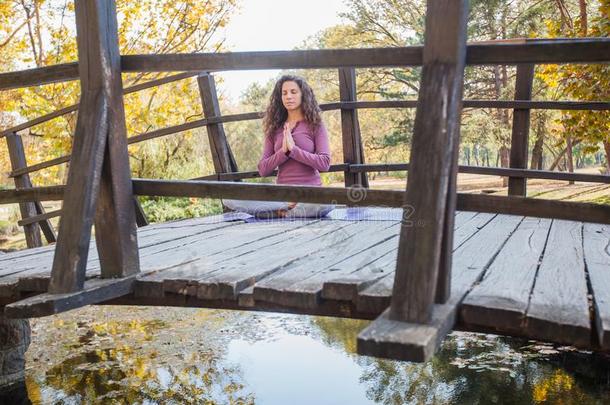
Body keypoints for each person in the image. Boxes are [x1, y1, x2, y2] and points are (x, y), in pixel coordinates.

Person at [223, 75, 335, 218]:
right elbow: (263, 169)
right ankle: (286, 209)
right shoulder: (274, 128)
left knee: (328, 202)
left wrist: (294, 151)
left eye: (293, 92)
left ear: (303, 95)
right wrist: (283, 152)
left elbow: (324, 163)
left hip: (308, 194)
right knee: (229, 196)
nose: (288, 96)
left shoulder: (315, 125)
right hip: (281, 196)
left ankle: (279, 214)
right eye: (284, 93)